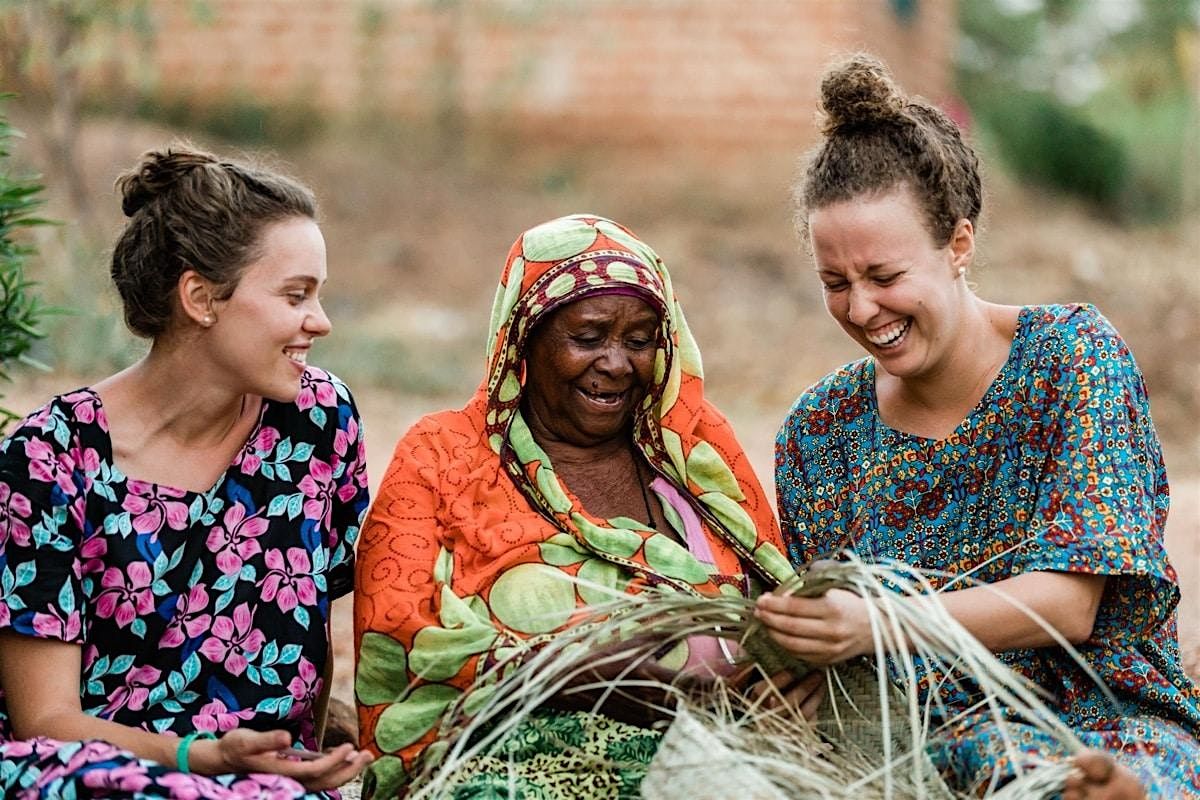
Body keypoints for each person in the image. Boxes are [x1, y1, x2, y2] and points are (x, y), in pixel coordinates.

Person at [755, 55, 1200, 799]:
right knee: (990, 765)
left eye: (886, 278)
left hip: (1111, 714)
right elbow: (824, 632)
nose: (862, 310)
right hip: (934, 735)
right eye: (836, 283)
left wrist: (875, 624)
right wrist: (797, 663)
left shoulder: (1070, 359)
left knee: (1134, 776)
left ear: (958, 245)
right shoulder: (818, 432)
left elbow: (1070, 604)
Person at [354, 213, 794, 798]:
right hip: (509, 770)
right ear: (523, 339)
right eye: (587, 338)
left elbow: (779, 609)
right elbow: (397, 643)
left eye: (639, 342)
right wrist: (563, 672)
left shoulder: (693, 451)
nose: (616, 364)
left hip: (719, 763)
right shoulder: (444, 454)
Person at [0, 145, 373, 798]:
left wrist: (304, 766)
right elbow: (46, 722)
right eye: (296, 295)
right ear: (201, 297)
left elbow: (317, 636)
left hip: (266, 785)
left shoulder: (319, 419)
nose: (321, 320)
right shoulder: (50, 458)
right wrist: (201, 760)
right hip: (94, 774)